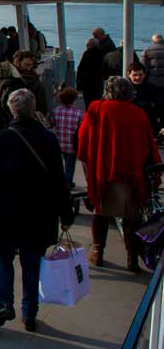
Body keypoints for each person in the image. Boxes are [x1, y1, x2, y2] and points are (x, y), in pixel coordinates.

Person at [0, 89, 73, 332]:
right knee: (32, 262)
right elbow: (59, 180)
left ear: (12, 109)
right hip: (39, 211)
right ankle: (29, 311)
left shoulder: (1, 138)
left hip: (5, 208)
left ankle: (4, 302)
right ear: (33, 109)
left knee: (0, 255)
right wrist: (66, 212)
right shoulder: (48, 139)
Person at [78, 76, 163, 273]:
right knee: (132, 219)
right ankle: (132, 259)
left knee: (100, 215)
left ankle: (98, 253)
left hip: (103, 172)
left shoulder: (96, 109)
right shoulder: (139, 114)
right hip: (132, 174)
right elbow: (149, 145)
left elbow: (83, 141)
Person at [50, 87, 84, 186]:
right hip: (72, 144)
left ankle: (62, 180)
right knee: (70, 164)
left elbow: (51, 124)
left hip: (60, 142)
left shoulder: (55, 111)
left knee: (62, 162)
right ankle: (68, 181)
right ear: (74, 100)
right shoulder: (78, 113)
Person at [129, 61, 163, 136]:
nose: (138, 78)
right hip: (130, 124)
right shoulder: (125, 89)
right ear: (129, 75)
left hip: (149, 124)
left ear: (144, 75)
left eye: (140, 75)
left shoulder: (152, 89)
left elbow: (160, 108)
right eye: (134, 75)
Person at [15, 50, 48, 116]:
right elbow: (42, 107)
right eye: (26, 65)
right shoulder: (35, 82)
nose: (29, 68)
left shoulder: (34, 79)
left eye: (30, 65)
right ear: (18, 63)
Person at [76, 37, 104, 105]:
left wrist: (79, 84)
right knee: (97, 99)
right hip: (98, 81)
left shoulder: (87, 54)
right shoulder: (101, 53)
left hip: (87, 82)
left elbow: (81, 68)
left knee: (88, 100)